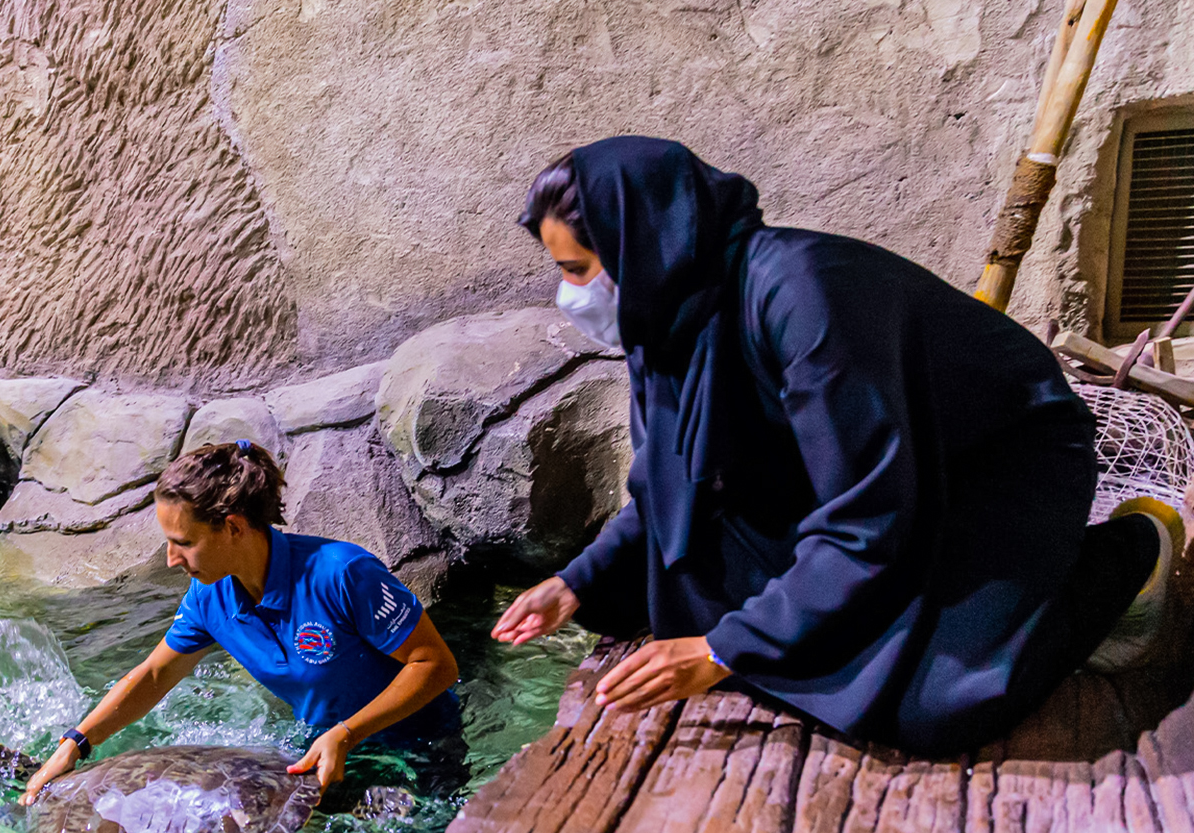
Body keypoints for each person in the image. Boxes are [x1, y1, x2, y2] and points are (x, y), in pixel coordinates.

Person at [492, 136, 1186, 757]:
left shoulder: (803, 295)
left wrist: (721, 650)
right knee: (677, 589)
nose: (569, 294)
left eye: (579, 268)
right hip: (881, 467)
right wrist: (573, 582)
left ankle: (1131, 550)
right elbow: (668, 487)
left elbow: (868, 517)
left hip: (994, 462)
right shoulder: (668, 318)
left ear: (642, 244)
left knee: (938, 709)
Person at [19, 439, 464, 806]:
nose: (171, 559)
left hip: (420, 750)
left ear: (232, 527)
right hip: (323, 756)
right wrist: (75, 743)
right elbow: (154, 675)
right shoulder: (208, 596)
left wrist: (347, 734)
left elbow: (437, 666)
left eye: (184, 543)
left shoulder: (342, 572)